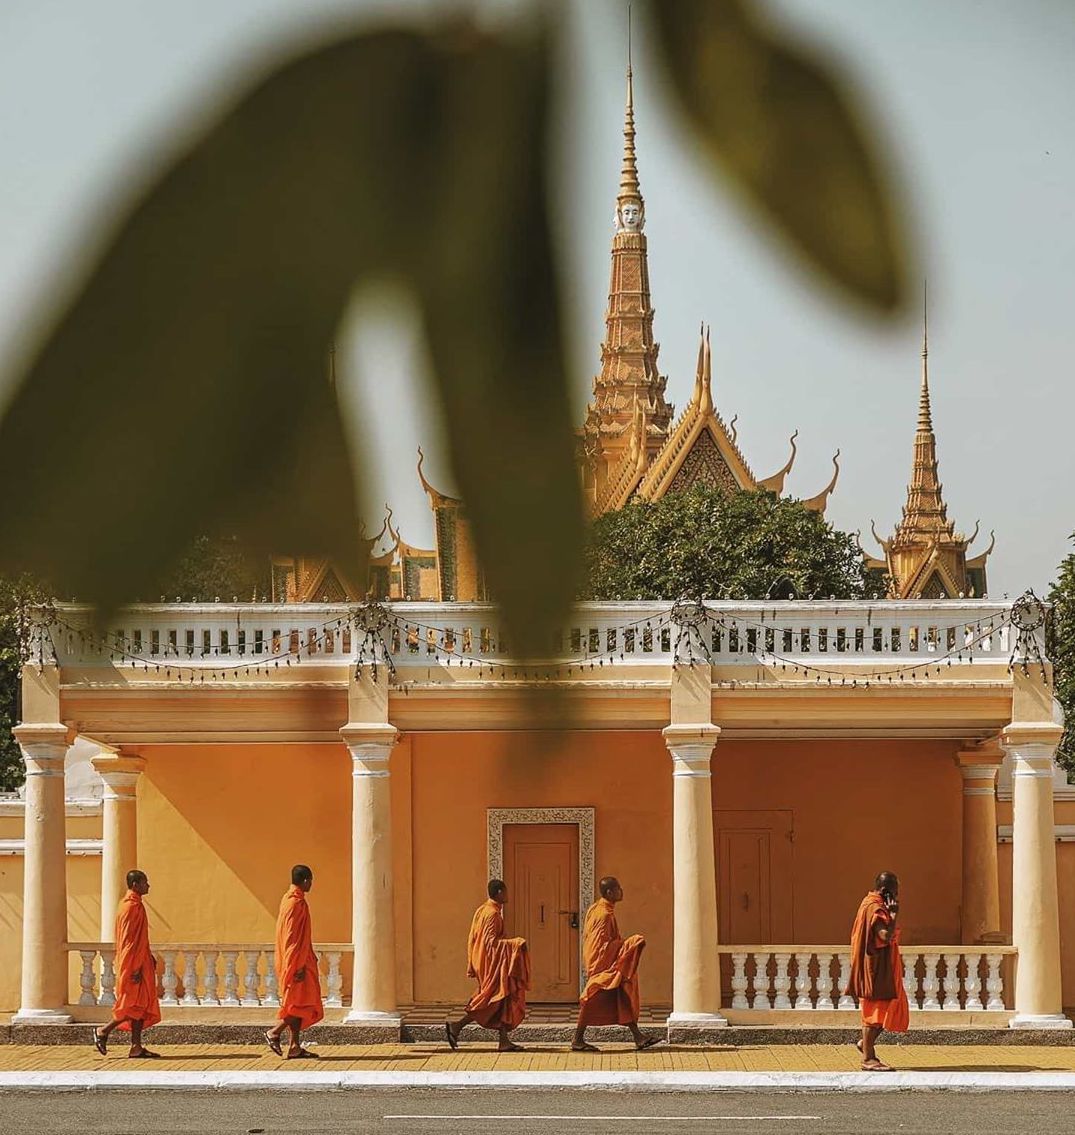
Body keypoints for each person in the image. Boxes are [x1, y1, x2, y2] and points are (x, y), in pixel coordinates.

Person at [571, 876, 660, 1052]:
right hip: (602, 966)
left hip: (605, 964)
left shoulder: (597, 908)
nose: (622, 891)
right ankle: (577, 1040)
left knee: (622, 996)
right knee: (591, 1000)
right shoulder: (603, 914)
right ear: (610, 892)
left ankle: (639, 1037)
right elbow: (600, 947)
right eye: (618, 888)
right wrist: (627, 944)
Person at [446, 879, 530, 1052]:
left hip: (488, 963)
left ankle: (503, 1041)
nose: (508, 895)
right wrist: (515, 944)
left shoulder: (483, 910)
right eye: (506, 892)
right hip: (491, 965)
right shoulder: (491, 913)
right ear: (499, 892)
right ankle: (456, 1027)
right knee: (489, 1001)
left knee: (501, 1000)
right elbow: (489, 943)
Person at [92, 870, 161, 1058]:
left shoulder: (135, 905)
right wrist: (136, 966)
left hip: (140, 959)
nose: (148, 885)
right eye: (145, 882)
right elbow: (128, 941)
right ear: (135, 885)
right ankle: (103, 1031)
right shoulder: (130, 907)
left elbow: (139, 939)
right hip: (133, 963)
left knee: (141, 1005)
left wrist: (148, 956)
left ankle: (136, 1047)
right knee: (130, 1004)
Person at [846, 870, 909, 1071]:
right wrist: (894, 914)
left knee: (887, 1008)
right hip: (876, 969)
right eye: (894, 892)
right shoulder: (875, 908)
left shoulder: (869, 903)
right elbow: (885, 936)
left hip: (880, 967)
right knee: (875, 1012)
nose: (897, 897)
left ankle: (865, 1045)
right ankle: (868, 1058)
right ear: (884, 891)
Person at [265, 864, 324, 1059]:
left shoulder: (290, 900)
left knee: (302, 1003)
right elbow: (290, 938)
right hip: (297, 962)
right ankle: (274, 1032)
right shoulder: (294, 903)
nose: (311, 885)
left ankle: (294, 1046)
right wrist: (296, 966)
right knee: (297, 1004)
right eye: (311, 881)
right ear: (306, 880)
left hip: (302, 959)